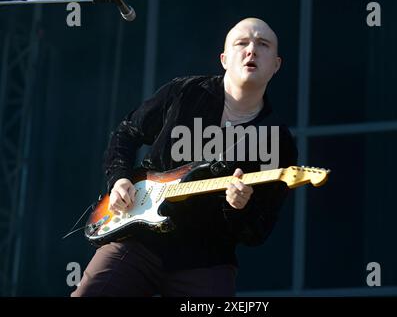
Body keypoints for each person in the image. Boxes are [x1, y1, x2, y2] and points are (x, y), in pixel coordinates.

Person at [71, 17, 298, 297]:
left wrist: (241, 206)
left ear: (276, 65)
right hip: (138, 239)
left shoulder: (277, 140)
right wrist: (119, 179)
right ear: (224, 59)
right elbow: (125, 133)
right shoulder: (185, 92)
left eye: (263, 45)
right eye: (242, 43)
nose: (251, 50)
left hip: (206, 261)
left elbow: (258, 232)